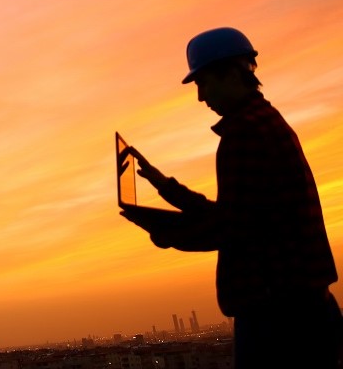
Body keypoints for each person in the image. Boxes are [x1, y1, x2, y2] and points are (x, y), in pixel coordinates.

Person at [120, 27, 340, 368]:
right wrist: (165, 186)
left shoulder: (245, 134)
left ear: (231, 74)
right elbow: (239, 214)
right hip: (301, 306)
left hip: (278, 316)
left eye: (203, 83)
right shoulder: (265, 123)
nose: (201, 97)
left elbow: (231, 229)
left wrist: (163, 230)